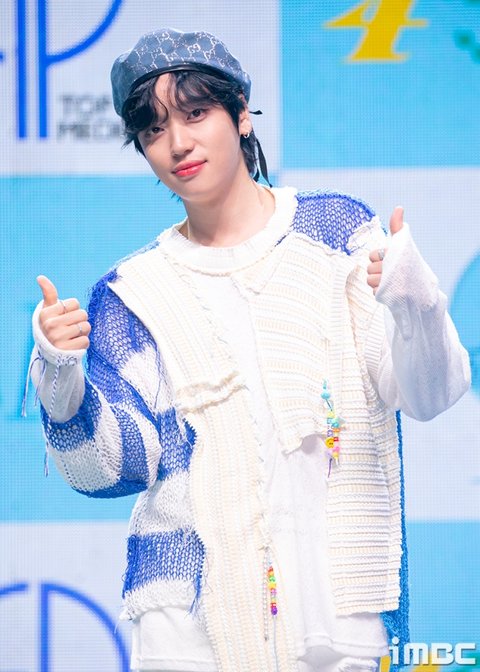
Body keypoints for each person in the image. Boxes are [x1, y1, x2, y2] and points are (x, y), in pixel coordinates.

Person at [29, 28, 470, 672]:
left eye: (195, 113)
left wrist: (415, 302)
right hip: (188, 633)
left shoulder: (336, 232)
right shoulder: (130, 293)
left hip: (339, 616)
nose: (177, 143)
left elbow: (431, 394)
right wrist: (61, 381)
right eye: (153, 129)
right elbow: (110, 470)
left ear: (241, 114)